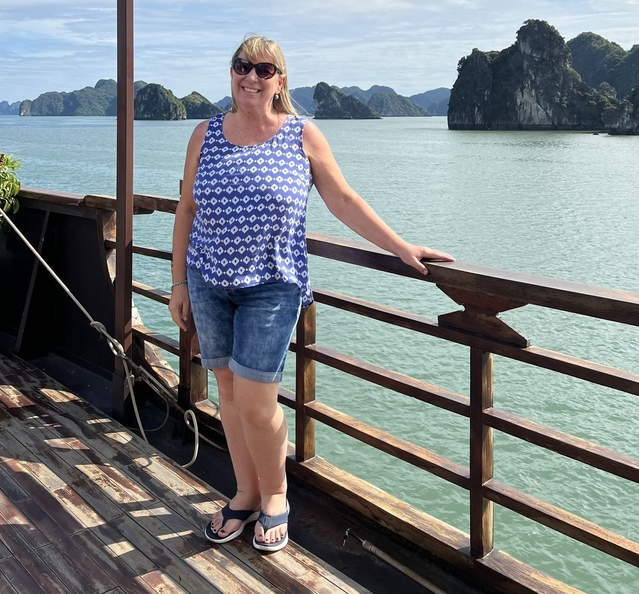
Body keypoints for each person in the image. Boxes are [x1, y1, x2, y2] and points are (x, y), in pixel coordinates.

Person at [169, 35, 454, 553]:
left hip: (272, 286)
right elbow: (186, 209)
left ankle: (276, 494)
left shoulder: (301, 135)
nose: (251, 77)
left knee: (256, 397)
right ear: (231, 73)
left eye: (263, 69)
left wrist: (399, 246)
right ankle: (246, 492)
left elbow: (343, 200)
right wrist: (179, 282)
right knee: (228, 392)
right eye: (241, 67)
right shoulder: (204, 134)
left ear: (280, 81)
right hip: (209, 280)